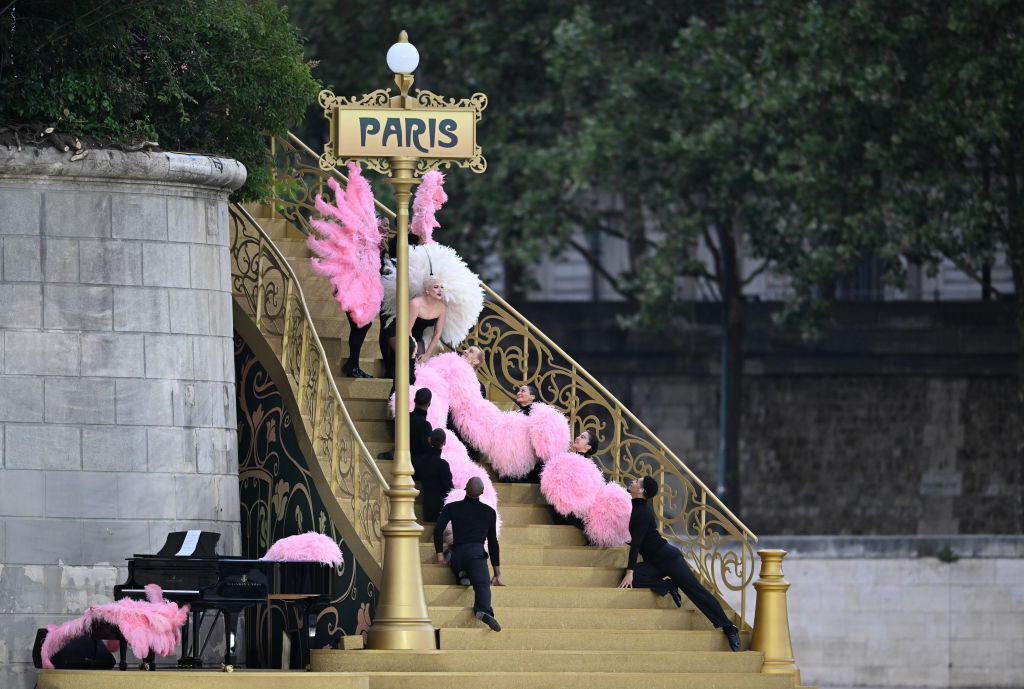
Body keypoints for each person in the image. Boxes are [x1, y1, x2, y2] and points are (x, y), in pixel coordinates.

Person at [617, 476, 742, 652]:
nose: (633, 482)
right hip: (655, 562)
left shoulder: (643, 512)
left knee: (696, 591)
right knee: (632, 578)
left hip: (669, 558)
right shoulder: (634, 507)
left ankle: (729, 628)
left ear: (642, 491)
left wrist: (630, 570)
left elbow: (636, 544)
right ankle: (668, 586)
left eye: (637, 482)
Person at [434, 476, 504, 632]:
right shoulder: (489, 512)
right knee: (483, 584)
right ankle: (483, 610)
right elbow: (493, 543)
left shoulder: (451, 507)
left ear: (465, 488)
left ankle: (462, 575)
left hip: (458, 554)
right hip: (477, 556)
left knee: (451, 556)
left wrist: (439, 554)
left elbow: (438, 530)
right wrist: (497, 573)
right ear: (482, 492)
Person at [339, 216, 392, 379]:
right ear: (376, 226)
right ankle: (352, 365)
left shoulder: (378, 245)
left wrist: (381, 252)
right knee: (360, 326)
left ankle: (353, 364)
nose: (388, 229)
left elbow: (377, 270)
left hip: (366, 292)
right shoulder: (362, 241)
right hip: (352, 290)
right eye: (385, 225)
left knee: (362, 326)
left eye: (389, 226)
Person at [379, 274, 447, 385]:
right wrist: (413, 346)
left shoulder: (442, 308)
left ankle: (411, 398)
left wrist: (427, 354)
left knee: (419, 368)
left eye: (442, 287)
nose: (440, 290)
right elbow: (407, 328)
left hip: (417, 335)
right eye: (436, 287)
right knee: (408, 359)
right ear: (427, 290)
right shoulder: (415, 303)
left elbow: (438, 333)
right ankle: (395, 396)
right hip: (399, 331)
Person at [414, 428, 454, 523]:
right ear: (444, 443)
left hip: (427, 510)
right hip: (441, 511)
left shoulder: (421, 462)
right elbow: (450, 489)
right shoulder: (442, 464)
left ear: (429, 440)